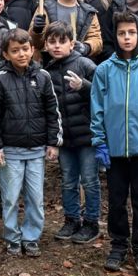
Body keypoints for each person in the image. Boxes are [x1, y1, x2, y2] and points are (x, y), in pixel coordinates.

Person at [91, 12, 138, 276]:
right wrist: (99, 143)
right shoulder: (104, 70)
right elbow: (97, 110)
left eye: (131, 33)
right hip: (114, 151)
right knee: (116, 200)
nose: (127, 38)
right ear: (116, 35)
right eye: (122, 33)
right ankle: (119, 243)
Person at [0, 29, 61, 257]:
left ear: (33, 50)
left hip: (37, 150)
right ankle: (12, 237)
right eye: (15, 51)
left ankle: (31, 238)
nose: (21, 54)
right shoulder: (0, 80)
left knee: (35, 197)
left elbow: (52, 111)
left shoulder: (42, 77)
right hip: (10, 151)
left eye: (25, 49)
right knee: (10, 197)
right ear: (6, 55)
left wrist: (53, 142)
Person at [43, 21, 100, 245]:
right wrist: (52, 140)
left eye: (62, 41)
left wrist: (84, 86)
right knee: (68, 180)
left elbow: (105, 92)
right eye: (52, 42)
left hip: (87, 136)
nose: (57, 46)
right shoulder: (47, 72)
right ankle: (71, 219)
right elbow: (48, 108)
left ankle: (91, 222)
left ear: (71, 43)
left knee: (90, 180)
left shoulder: (85, 64)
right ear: (46, 45)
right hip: (64, 138)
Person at [29, 0, 103, 61]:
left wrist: (85, 47)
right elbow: (34, 43)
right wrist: (36, 31)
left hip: (76, 65)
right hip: (47, 65)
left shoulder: (88, 13)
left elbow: (96, 40)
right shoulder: (44, 8)